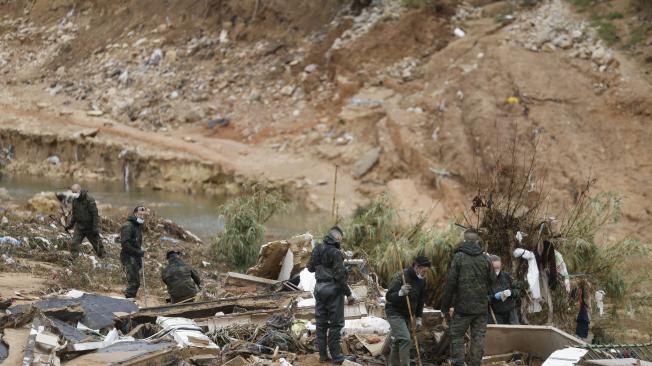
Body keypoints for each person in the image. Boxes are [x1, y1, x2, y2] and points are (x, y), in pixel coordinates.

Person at [440, 229, 496, 366]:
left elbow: (450, 284)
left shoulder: (459, 257)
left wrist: (444, 307)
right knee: (478, 338)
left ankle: (458, 363)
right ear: (477, 241)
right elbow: (493, 280)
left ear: (464, 240)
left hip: (462, 309)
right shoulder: (486, 258)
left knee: (457, 337)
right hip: (481, 309)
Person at [307, 226, 356, 364]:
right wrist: (349, 294)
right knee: (336, 324)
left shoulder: (317, 249)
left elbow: (310, 268)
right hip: (333, 290)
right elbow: (340, 276)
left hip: (319, 288)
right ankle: (336, 357)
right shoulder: (335, 252)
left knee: (321, 324)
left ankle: (323, 356)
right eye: (341, 238)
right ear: (337, 238)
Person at [385, 256, 431, 366]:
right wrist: (400, 293)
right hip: (394, 312)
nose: (424, 274)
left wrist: (419, 317)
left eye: (426, 272)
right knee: (406, 339)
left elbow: (421, 299)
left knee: (398, 340)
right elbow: (389, 297)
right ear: (416, 267)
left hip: (408, 314)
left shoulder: (421, 280)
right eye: (423, 271)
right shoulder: (401, 276)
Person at [65, 184, 104, 259]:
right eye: (72, 192)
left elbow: (95, 215)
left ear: (79, 190)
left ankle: (103, 257)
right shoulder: (75, 201)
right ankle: (73, 258)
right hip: (80, 227)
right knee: (74, 243)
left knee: (98, 245)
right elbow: (74, 215)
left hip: (90, 227)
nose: (74, 194)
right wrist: (69, 225)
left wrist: (95, 227)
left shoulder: (89, 199)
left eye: (75, 192)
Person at [120, 206, 147, 299]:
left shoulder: (137, 225)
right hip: (128, 257)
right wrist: (138, 252)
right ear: (135, 214)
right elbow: (125, 244)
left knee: (135, 282)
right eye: (140, 214)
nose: (142, 216)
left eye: (143, 215)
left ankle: (130, 300)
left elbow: (135, 242)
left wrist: (139, 252)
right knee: (134, 282)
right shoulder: (128, 226)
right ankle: (129, 302)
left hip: (135, 257)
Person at [489, 255, 520, 325]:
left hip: (511, 313)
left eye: (498, 268)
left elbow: (518, 290)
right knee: (498, 335)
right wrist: (494, 297)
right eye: (494, 268)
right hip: (495, 314)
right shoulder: (485, 280)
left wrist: (511, 292)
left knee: (516, 333)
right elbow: (481, 300)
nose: (496, 270)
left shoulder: (506, 276)